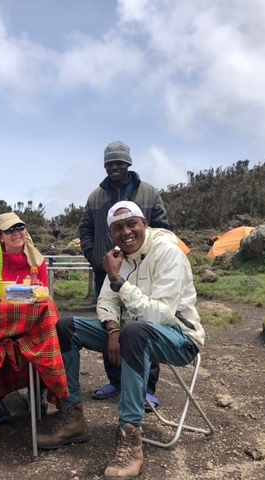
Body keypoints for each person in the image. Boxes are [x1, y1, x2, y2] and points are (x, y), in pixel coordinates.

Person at [37, 201, 205, 479]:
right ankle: (73, 417)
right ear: (111, 234)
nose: (126, 232)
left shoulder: (167, 253)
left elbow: (159, 315)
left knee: (135, 331)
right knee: (66, 326)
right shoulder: (119, 257)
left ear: (144, 225)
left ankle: (130, 438)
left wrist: (116, 278)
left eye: (131, 225)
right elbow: (106, 301)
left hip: (179, 337)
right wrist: (113, 329)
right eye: (118, 228)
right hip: (134, 334)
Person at [79, 140, 170, 406]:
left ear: (128, 163)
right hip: (106, 271)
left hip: (144, 270)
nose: (114, 167)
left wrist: (151, 257)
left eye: (119, 162)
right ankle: (116, 380)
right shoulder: (96, 196)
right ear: (105, 166)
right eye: (109, 163)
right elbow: (85, 228)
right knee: (109, 323)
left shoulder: (148, 192)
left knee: (144, 323)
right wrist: (95, 258)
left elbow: (163, 228)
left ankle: (146, 385)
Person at [0, 212, 49, 423]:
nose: (16, 233)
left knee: (47, 336)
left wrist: (12, 294)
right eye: (9, 230)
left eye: (19, 227)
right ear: (0, 236)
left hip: (29, 323)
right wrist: (24, 293)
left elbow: (43, 294)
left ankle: (36, 391)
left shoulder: (37, 261)